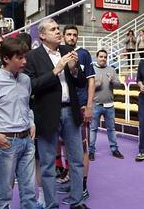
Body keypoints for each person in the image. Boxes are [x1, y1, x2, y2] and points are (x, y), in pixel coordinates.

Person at [24, 18, 88, 209]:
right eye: (53, 29)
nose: (58, 32)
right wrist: (56, 70)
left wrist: (74, 69)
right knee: (47, 164)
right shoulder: (33, 56)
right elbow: (31, 85)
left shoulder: (68, 52)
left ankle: (77, 202)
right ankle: (51, 205)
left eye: (58, 28)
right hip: (47, 114)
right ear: (42, 35)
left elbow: (81, 82)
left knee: (76, 161)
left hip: (70, 111)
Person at [0, 37, 37, 209]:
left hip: (27, 141)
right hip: (5, 143)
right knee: (3, 195)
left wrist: (31, 122)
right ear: (6, 59)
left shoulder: (25, 80)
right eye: (20, 57)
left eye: (25, 56)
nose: (24, 61)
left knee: (30, 192)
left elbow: (27, 106)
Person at [60, 25, 95, 205]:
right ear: (63, 36)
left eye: (74, 35)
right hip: (64, 108)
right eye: (68, 34)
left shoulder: (84, 54)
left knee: (83, 148)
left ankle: (83, 186)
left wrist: (89, 106)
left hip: (81, 107)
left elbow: (90, 81)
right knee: (67, 147)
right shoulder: (58, 53)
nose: (72, 37)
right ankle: (74, 183)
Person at [88, 50, 124, 161]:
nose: (103, 59)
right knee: (93, 129)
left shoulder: (111, 69)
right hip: (96, 105)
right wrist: (96, 85)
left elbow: (120, 85)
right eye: (101, 56)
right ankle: (91, 151)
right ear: (97, 57)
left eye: (105, 57)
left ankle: (114, 149)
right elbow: (87, 86)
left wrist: (113, 81)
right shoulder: (92, 69)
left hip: (109, 105)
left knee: (111, 129)